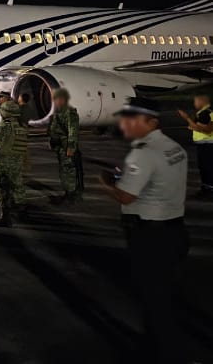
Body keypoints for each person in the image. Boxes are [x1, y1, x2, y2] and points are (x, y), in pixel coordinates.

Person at [99, 97, 189, 364]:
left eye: (132, 119)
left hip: (150, 235)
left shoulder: (143, 152)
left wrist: (106, 183)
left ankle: (160, 354)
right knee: (165, 297)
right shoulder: (174, 148)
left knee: (154, 302)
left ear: (151, 122)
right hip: (175, 229)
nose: (126, 124)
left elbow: (126, 197)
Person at [0, 101, 28, 227]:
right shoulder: (21, 126)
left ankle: (5, 217)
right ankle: (21, 213)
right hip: (17, 160)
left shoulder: (6, 126)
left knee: (2, 188)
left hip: (5, 161)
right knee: (17, 186)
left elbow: (2, 145)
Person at [48, 88, 83, 204]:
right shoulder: (59, 112)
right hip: (61, 147)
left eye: (56, 99)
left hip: (66, 146)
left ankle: (72, 196)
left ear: (62, 99)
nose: (55, 101)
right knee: (64, 171)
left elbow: (73, 131)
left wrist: (71, 148)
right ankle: (68, 193)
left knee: (69, 171)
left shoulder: (69, 112)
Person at [177, 91, 213, 199]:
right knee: (205, 167)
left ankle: (209, 190)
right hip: (205, 145)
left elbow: (206, 130)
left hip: (207, 145)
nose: (194, 103)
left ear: (202, 100)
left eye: (196, 100)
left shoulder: (205, 113)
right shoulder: (204, 112)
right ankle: (207, 188)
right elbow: (196, 126)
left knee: (207, 167)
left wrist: (187, 118)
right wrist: (192, 125)